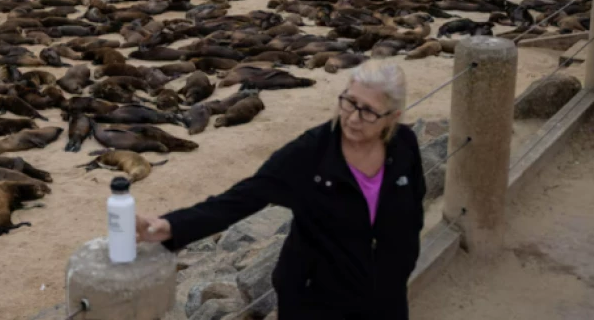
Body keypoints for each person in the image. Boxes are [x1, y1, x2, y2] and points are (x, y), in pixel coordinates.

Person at [137, 61, 425, 320]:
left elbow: (414, 204)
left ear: (393, 116)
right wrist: (171, 227)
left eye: (368, 112)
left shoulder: (405, 146)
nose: (352, 118)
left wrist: (403, 260)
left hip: (385, 296)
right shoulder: (310, 152)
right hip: (316, 301)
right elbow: (242, 198)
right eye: (349, 102)